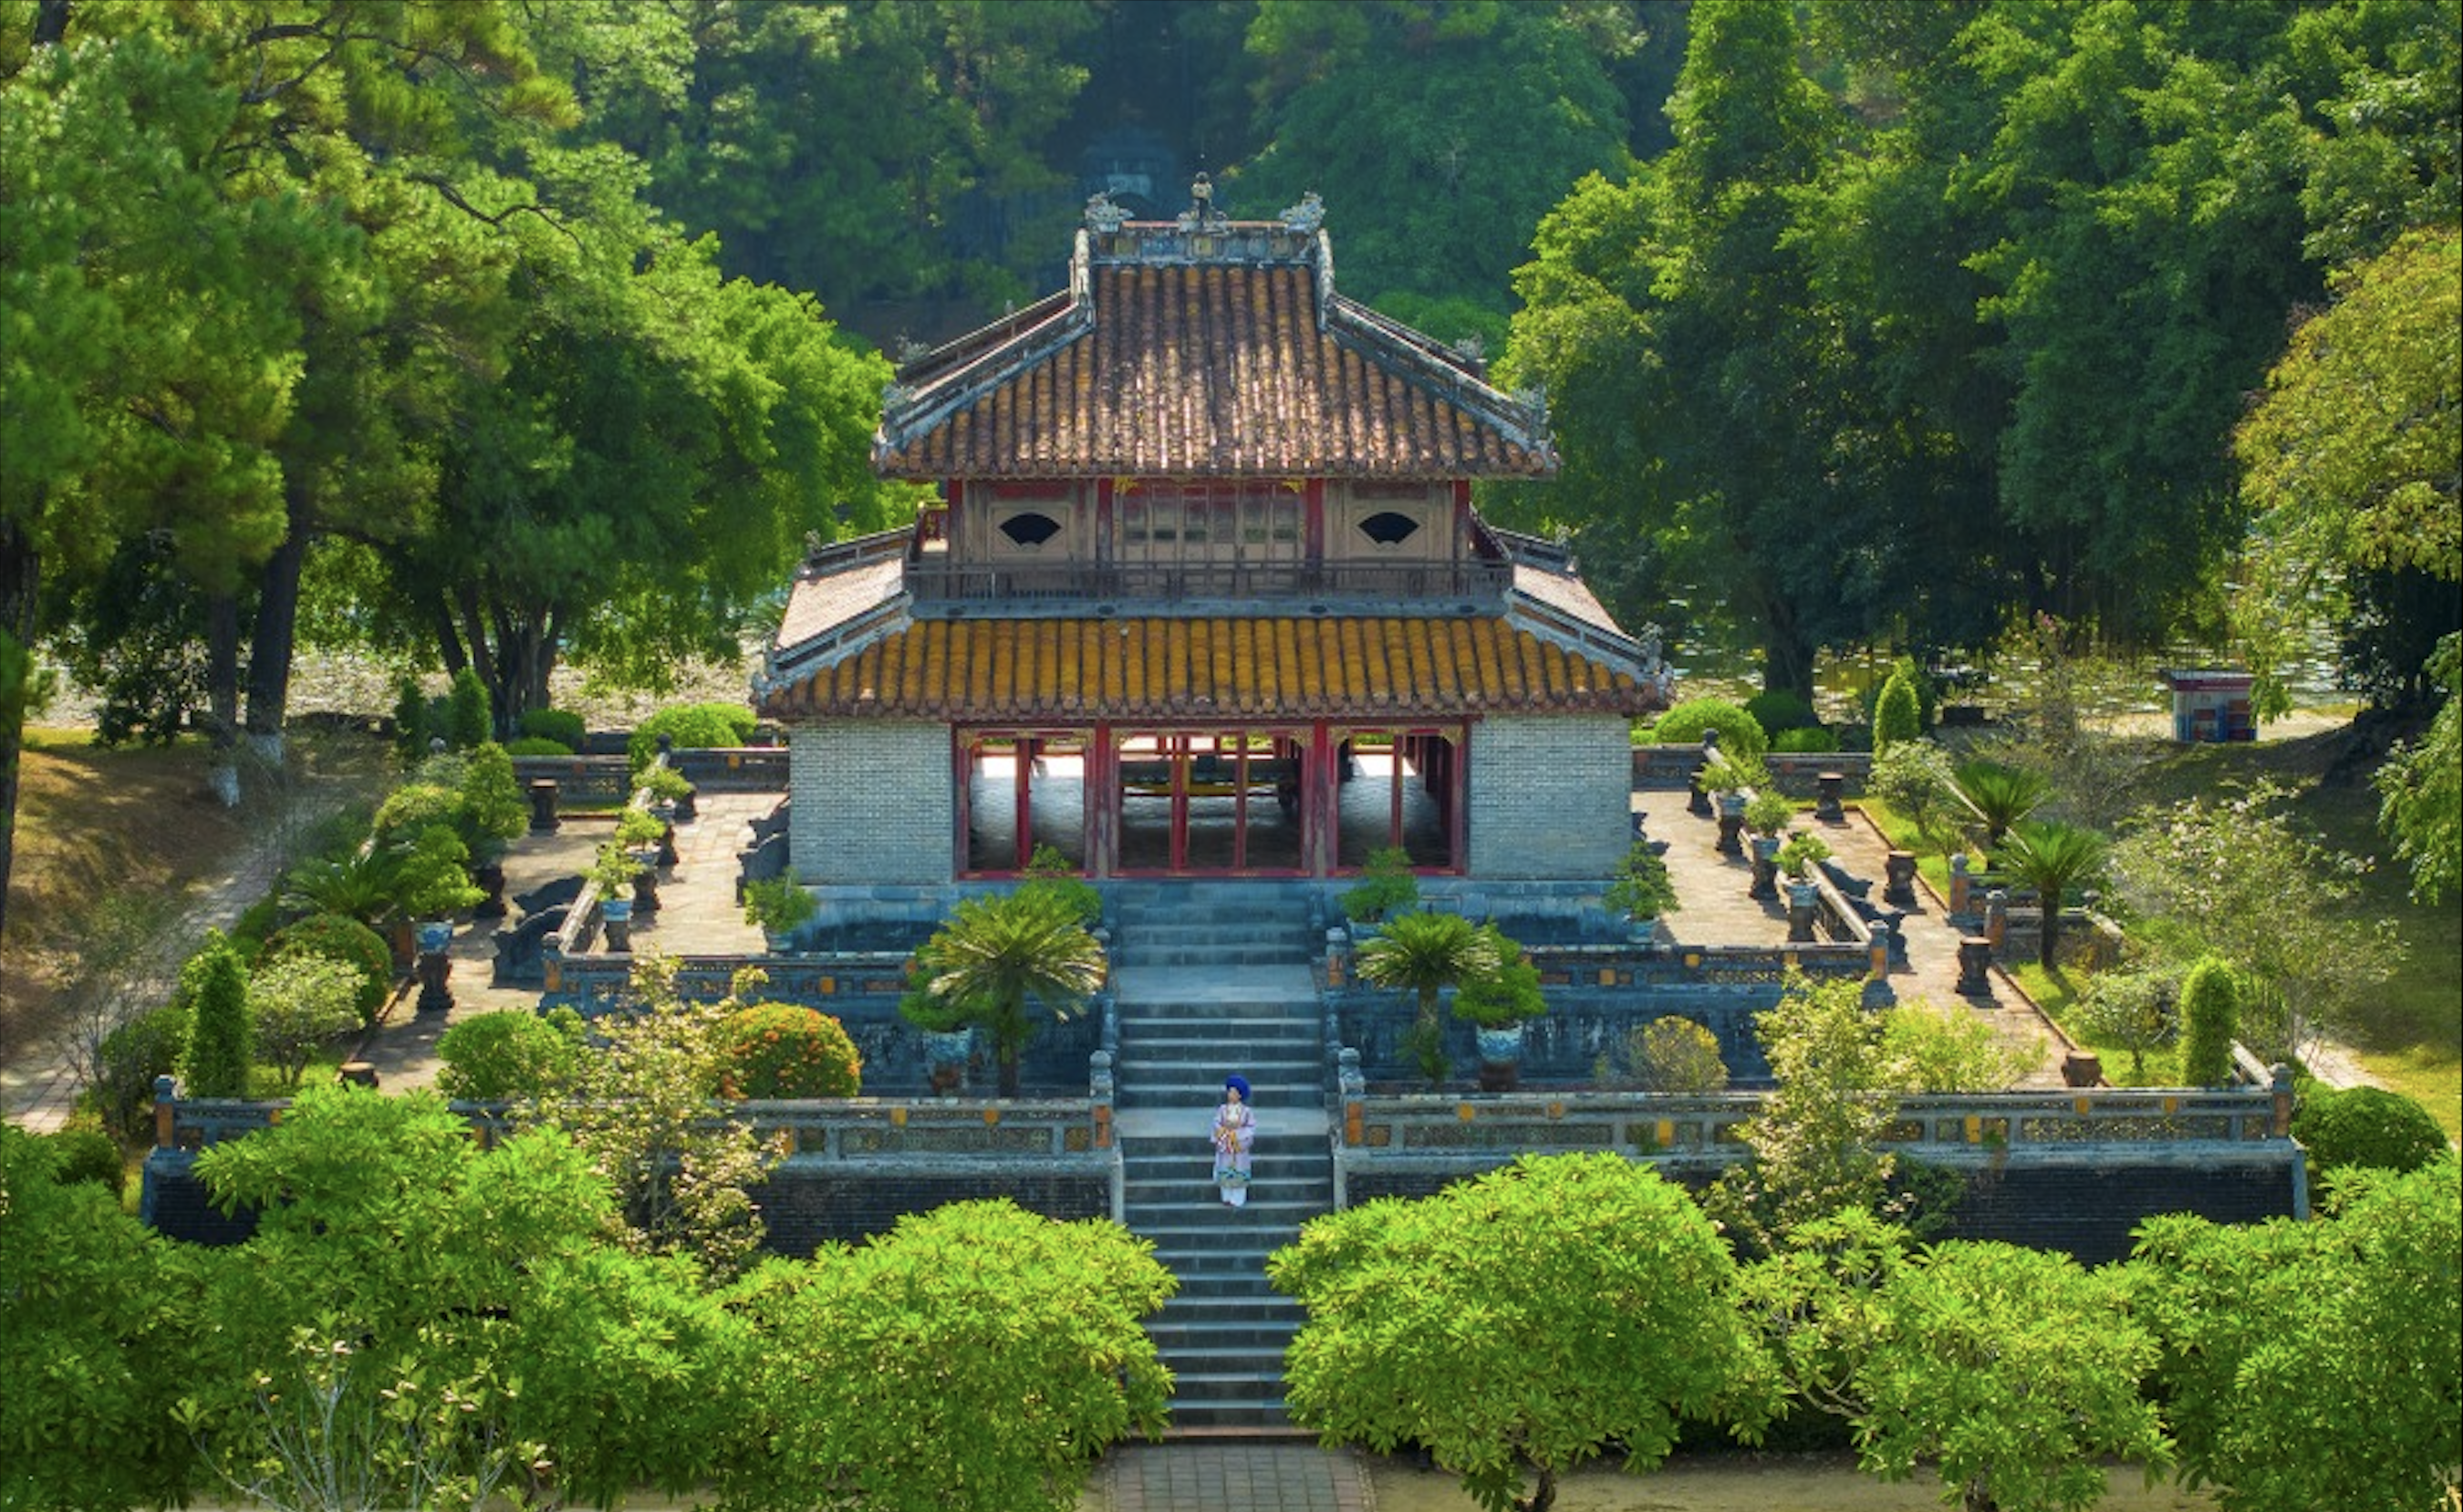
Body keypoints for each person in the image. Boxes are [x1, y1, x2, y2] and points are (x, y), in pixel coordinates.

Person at [1211, 1075, 1256, 1207]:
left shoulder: (1246, 1112)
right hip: (1226, 1147)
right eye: (1229, 1091)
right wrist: (1223, 1133)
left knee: (1238, 1174)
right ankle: (1226, 1196)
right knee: (1225, 1171)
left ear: (1240, 1095)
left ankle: (1237, 1199)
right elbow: (1216, 1123)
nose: (1230, 1094)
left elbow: (1251, 1128)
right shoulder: (1222, 1110)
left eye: (1233, 1092)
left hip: (1238, 1149)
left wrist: (1237, 1136)